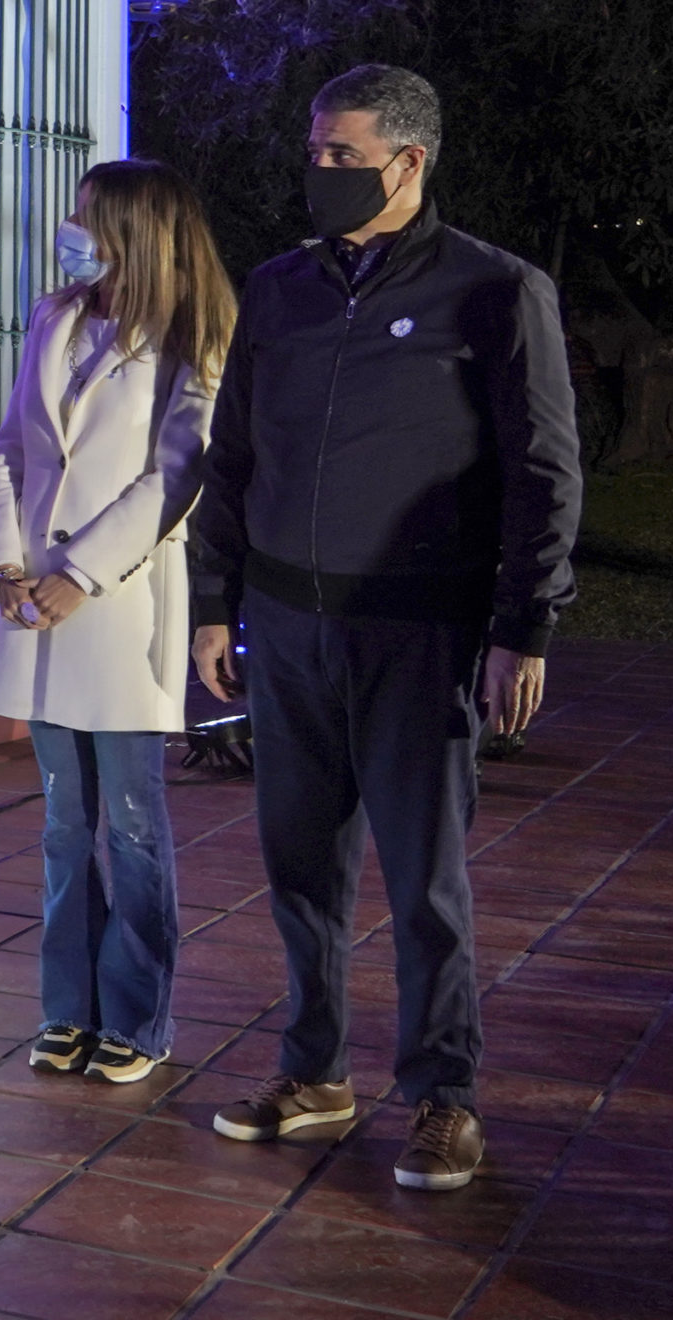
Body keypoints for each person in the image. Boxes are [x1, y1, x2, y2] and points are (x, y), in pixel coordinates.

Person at [191, 64, 582, 1191]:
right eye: (312, 151)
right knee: (299, 868)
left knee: (423, 882)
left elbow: (542, 471)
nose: (316, 172)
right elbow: (233, 457)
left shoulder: (496, 290)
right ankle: (313, 1073)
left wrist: (523, 626)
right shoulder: (276, 288)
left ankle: (442, 1096)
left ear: (408, 162)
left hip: (420, 636)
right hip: (286, 630)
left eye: (340, 156)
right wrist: (216, 601)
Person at [0, 160, 235, 1087]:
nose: (73, 228)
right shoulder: (56, 315)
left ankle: (139, 1016)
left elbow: (175, 473)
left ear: (137, 229)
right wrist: (6, 560)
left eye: (89, 216)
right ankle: (66, 1009)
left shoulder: (194, 333)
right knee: (61, 822)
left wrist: (82, 575)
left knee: (129, 823)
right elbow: (11, 444)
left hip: (119, 605)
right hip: (35, 605)